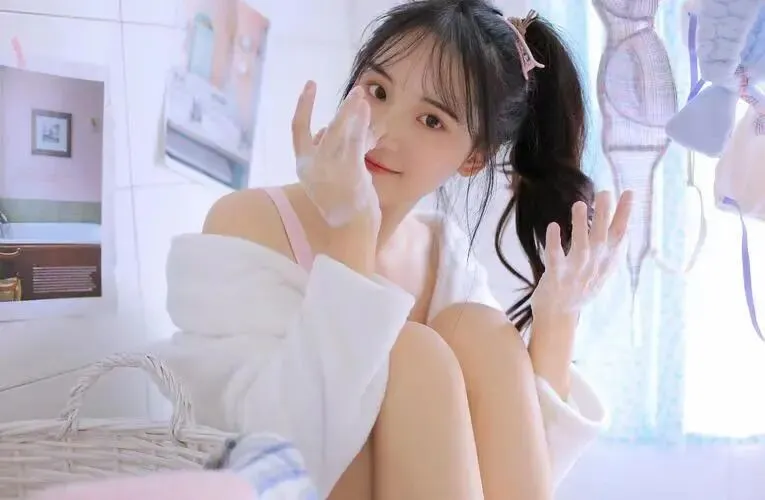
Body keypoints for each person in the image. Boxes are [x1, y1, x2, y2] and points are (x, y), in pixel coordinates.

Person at [153, 1, 633, 499]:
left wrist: (557, 318)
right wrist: (352, 234)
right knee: (412, 352)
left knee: (482, 332)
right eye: (378, 91)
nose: (384, 131)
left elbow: (508, 474)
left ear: (473, 158)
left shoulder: (444, 257)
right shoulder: (249, 223)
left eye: (431, 120)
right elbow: (279, 453)